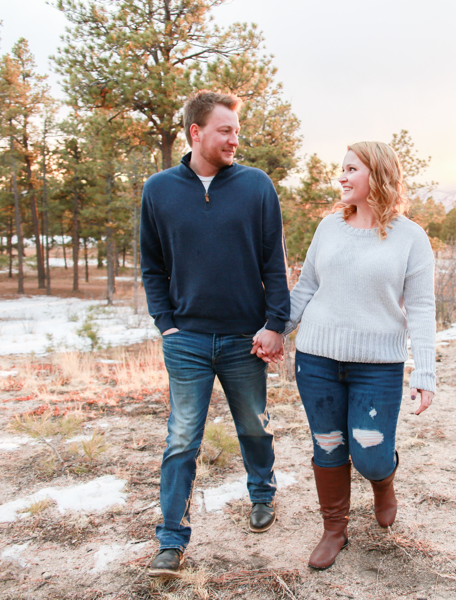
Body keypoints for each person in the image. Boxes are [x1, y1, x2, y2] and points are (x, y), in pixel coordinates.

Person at [253, 141, 436, 570]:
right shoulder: (329, 227)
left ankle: (382, 479)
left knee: (370, 453)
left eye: (351, 168)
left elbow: (423, 308)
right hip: (317, 360)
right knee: (329, 446)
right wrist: (277, 330)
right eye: (342, 168)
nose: (342, 176)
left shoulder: (411, 237)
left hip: (378, 366)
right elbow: (306, 288)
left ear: (378, 174)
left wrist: (424, 370)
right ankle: (335, 529)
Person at [140, 90, 289, 577]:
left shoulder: (256, 186)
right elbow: (151, 265)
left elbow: (274, 261)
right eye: (225, 130)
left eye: (237, 130)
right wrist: (166, 323)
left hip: (246, 338)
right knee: (182, 439)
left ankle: (262, 494)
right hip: (187, 341)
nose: (234, 139)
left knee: (253, 425)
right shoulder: (158, 189)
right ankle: (171, 540)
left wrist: (274, 323)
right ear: (196, 132)